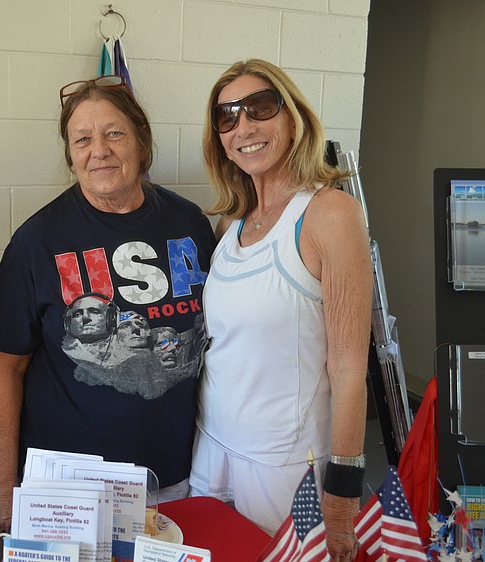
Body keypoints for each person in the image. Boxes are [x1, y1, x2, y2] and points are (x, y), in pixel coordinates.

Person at [0, 75, 217, 534]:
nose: (100, 150)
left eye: (114, 133)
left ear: (142, 141)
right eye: (83, 139)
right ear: (70, 155)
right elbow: (3, 370)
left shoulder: (189, 223)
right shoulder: (37, 241)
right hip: (69, 488)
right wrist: (2, 491)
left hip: (175, 476)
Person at [189, 59, 372, 560]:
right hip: (212, 448)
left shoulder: (330, 214)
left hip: (283, 466)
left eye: (260, 107)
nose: (244, 126)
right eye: (227, 116)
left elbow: (349, 367)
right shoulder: (231, 222)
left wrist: (342, 493)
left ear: (293, 118)